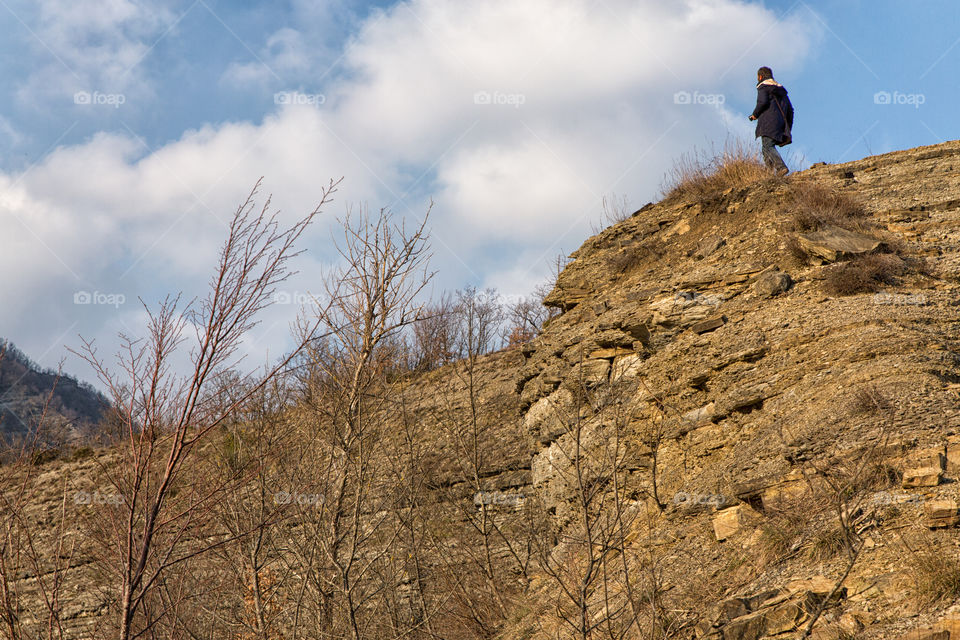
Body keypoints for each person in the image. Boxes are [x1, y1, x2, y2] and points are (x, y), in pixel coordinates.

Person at [749, 66, 793, 176]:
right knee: (765, 148)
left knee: (768, 146)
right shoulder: (782, 92)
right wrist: (787, 127)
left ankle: (781, 167)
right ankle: (769, 173)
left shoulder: (763, 87)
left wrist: (755, 115)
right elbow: (790, 111)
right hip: (780, 123)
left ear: (760, 77)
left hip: (768, 122)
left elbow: (762, 102)